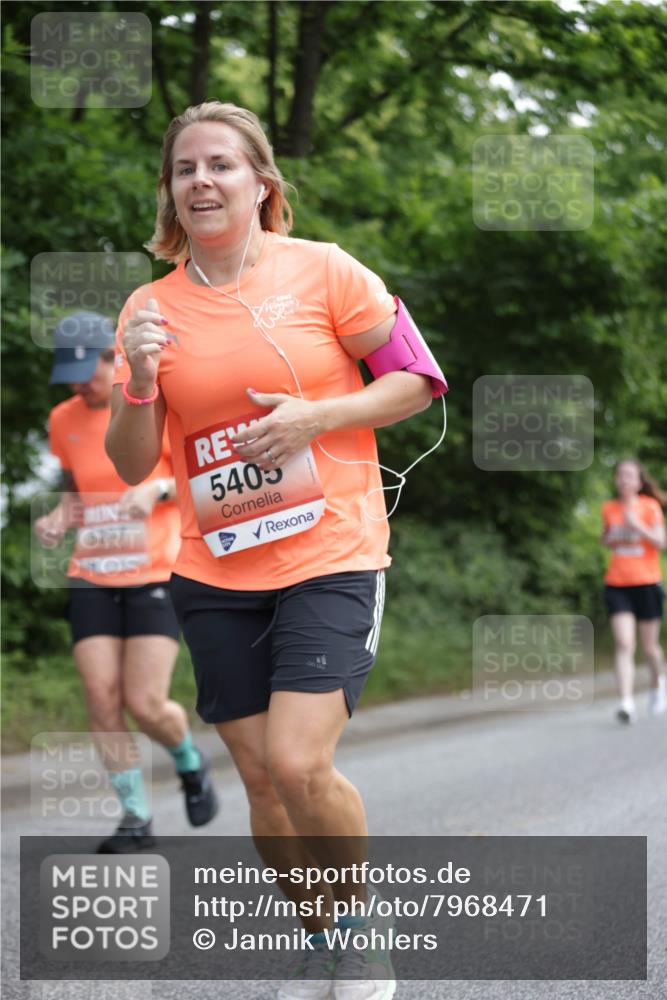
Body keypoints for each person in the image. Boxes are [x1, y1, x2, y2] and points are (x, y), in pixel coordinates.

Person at [106, 101, 439, 1000]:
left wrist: (315, 417)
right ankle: (323, 937)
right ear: (171, 195)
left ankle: (365, 939)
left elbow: (417, 379)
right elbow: (131, 462)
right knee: (258, 776)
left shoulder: (326, 272)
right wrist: (138, 382)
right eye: (185, 169)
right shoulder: (149, 306)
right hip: (214, 568)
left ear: (262, 184)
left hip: (331, 549)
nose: (202, 181)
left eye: (221, 164)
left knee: (297, 761)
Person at [34, 311, 218, 852]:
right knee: (100, 694)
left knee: (145, 701)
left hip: (155, 570)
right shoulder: (62, 418)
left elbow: (192, 477)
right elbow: (73, 491)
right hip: (91, 573)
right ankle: (136, 817)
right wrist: (57, 518)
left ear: (111, 356)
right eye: (66, 372)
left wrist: (155, 490)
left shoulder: (147, 403)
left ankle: (188, 759)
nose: (76, 382)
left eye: (84, 369)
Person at [600, 457, 666, 724]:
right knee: (624, 643)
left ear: (639, 483)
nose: (623, 480)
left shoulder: (650, 507)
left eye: (629, 476)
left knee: (649, 648)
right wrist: (608, 537)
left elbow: (661, 542)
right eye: (620, 475)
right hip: (617, 584)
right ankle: (626, 702)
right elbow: (606, 539)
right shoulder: (609, 508)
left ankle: (657, 684)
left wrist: (635, 524)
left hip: (647, 583)